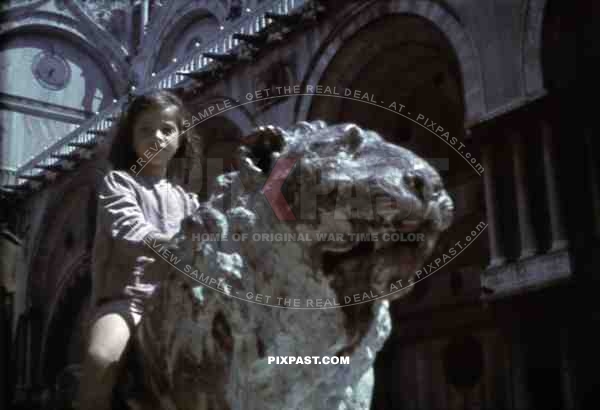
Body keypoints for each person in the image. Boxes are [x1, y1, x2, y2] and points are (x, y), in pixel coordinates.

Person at [78, 89, 201, 410]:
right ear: (130, 138)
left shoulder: (189, 201)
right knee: (101, 358)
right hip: (128, 302)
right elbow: (129, 229)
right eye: (145, 129)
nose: (156, 137)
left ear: (180, 139)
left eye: (166, 129)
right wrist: (178, 244)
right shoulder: (119, 183)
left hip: (179, 305)